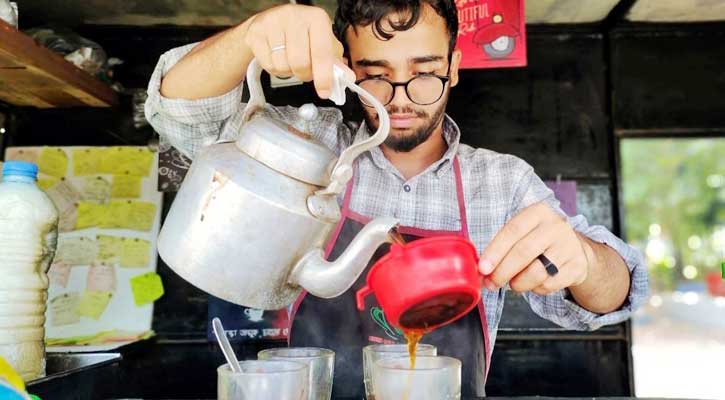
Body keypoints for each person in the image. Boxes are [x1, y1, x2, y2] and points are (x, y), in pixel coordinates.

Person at [145, 1, 648, 397]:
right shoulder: (312, 145)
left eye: (425, 71)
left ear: (453, 67)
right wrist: (250, 35)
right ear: (346, 71)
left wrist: (582, 260)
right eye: (375, 74)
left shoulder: (503, 182)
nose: (400, 97)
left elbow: (616, 296)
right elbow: (178, 113)